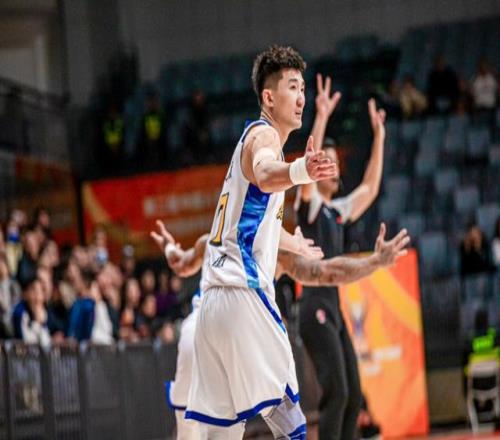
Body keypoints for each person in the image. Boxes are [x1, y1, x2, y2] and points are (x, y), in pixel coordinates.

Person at [181, 45, 337, 439]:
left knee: (221, 435)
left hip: (211, 306)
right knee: (290, 423)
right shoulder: (263, 135)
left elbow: (250, 221)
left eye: (303, 88)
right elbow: (267, 174)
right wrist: (301, 170)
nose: (301, 98)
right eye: (292, 87)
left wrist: (292, 243)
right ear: (269, 97)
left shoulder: (249, 143)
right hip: (242, 295)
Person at [150, 211, 409, 439]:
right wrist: (374, 261)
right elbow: (328, 272)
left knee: (194, 426)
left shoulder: (210, 240)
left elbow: (180, 263)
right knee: (285, 416)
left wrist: (170, 247)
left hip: (198, 330)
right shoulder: (271, 244)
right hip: (243, 324)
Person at [294, 74, 386, 440]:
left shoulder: (336, 211)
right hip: (313, 307)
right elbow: (307, 164)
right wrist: (320, 116)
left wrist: (379, 137)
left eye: (334, 162)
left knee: (353, 396)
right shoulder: (311, 206)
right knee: (337, 395)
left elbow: (370, 188)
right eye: (325, 162)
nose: (330, 166)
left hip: (335, 309)